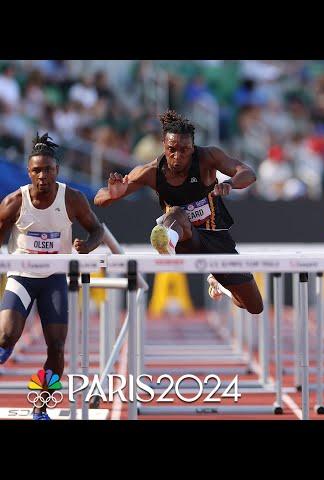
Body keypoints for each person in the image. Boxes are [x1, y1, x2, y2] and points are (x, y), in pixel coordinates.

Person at [94, 110, 263, 314]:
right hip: (184, 239)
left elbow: (248, 173)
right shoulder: (151, 172)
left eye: (184, 150)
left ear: (193, 148)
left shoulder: (207, 157)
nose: (177, 156)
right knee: (175, 214)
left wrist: (230, 183)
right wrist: (113, 194)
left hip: (216, 237)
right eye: (172, 149)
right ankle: (166, 243)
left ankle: (218, 282)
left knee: (253, 306)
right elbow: (99, 199)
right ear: (164, 146)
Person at [0, 133, 104, 420]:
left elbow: (97, 229)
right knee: (7, 335)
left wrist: (87, 245)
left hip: (54, 278)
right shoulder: (14, 201)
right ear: (29, 172)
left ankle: (40, 404)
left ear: (57, 171)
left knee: (57, 347)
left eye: (48, 170)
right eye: (36, 170)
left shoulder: (71, 198)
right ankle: (4, 350)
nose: (42, 176)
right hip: (21, 275)